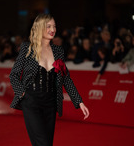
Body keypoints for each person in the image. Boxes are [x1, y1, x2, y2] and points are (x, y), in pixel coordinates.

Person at [9, 14, 89, 146]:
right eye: (49, 26)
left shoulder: (58, 51)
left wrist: (79, 102)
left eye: (54, 26)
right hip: (31, 102)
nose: (53, 29)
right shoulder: (27, 48)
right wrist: (23, 93)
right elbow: (14, 75)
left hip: (50, 104)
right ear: (40, 28)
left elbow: (66, 78)